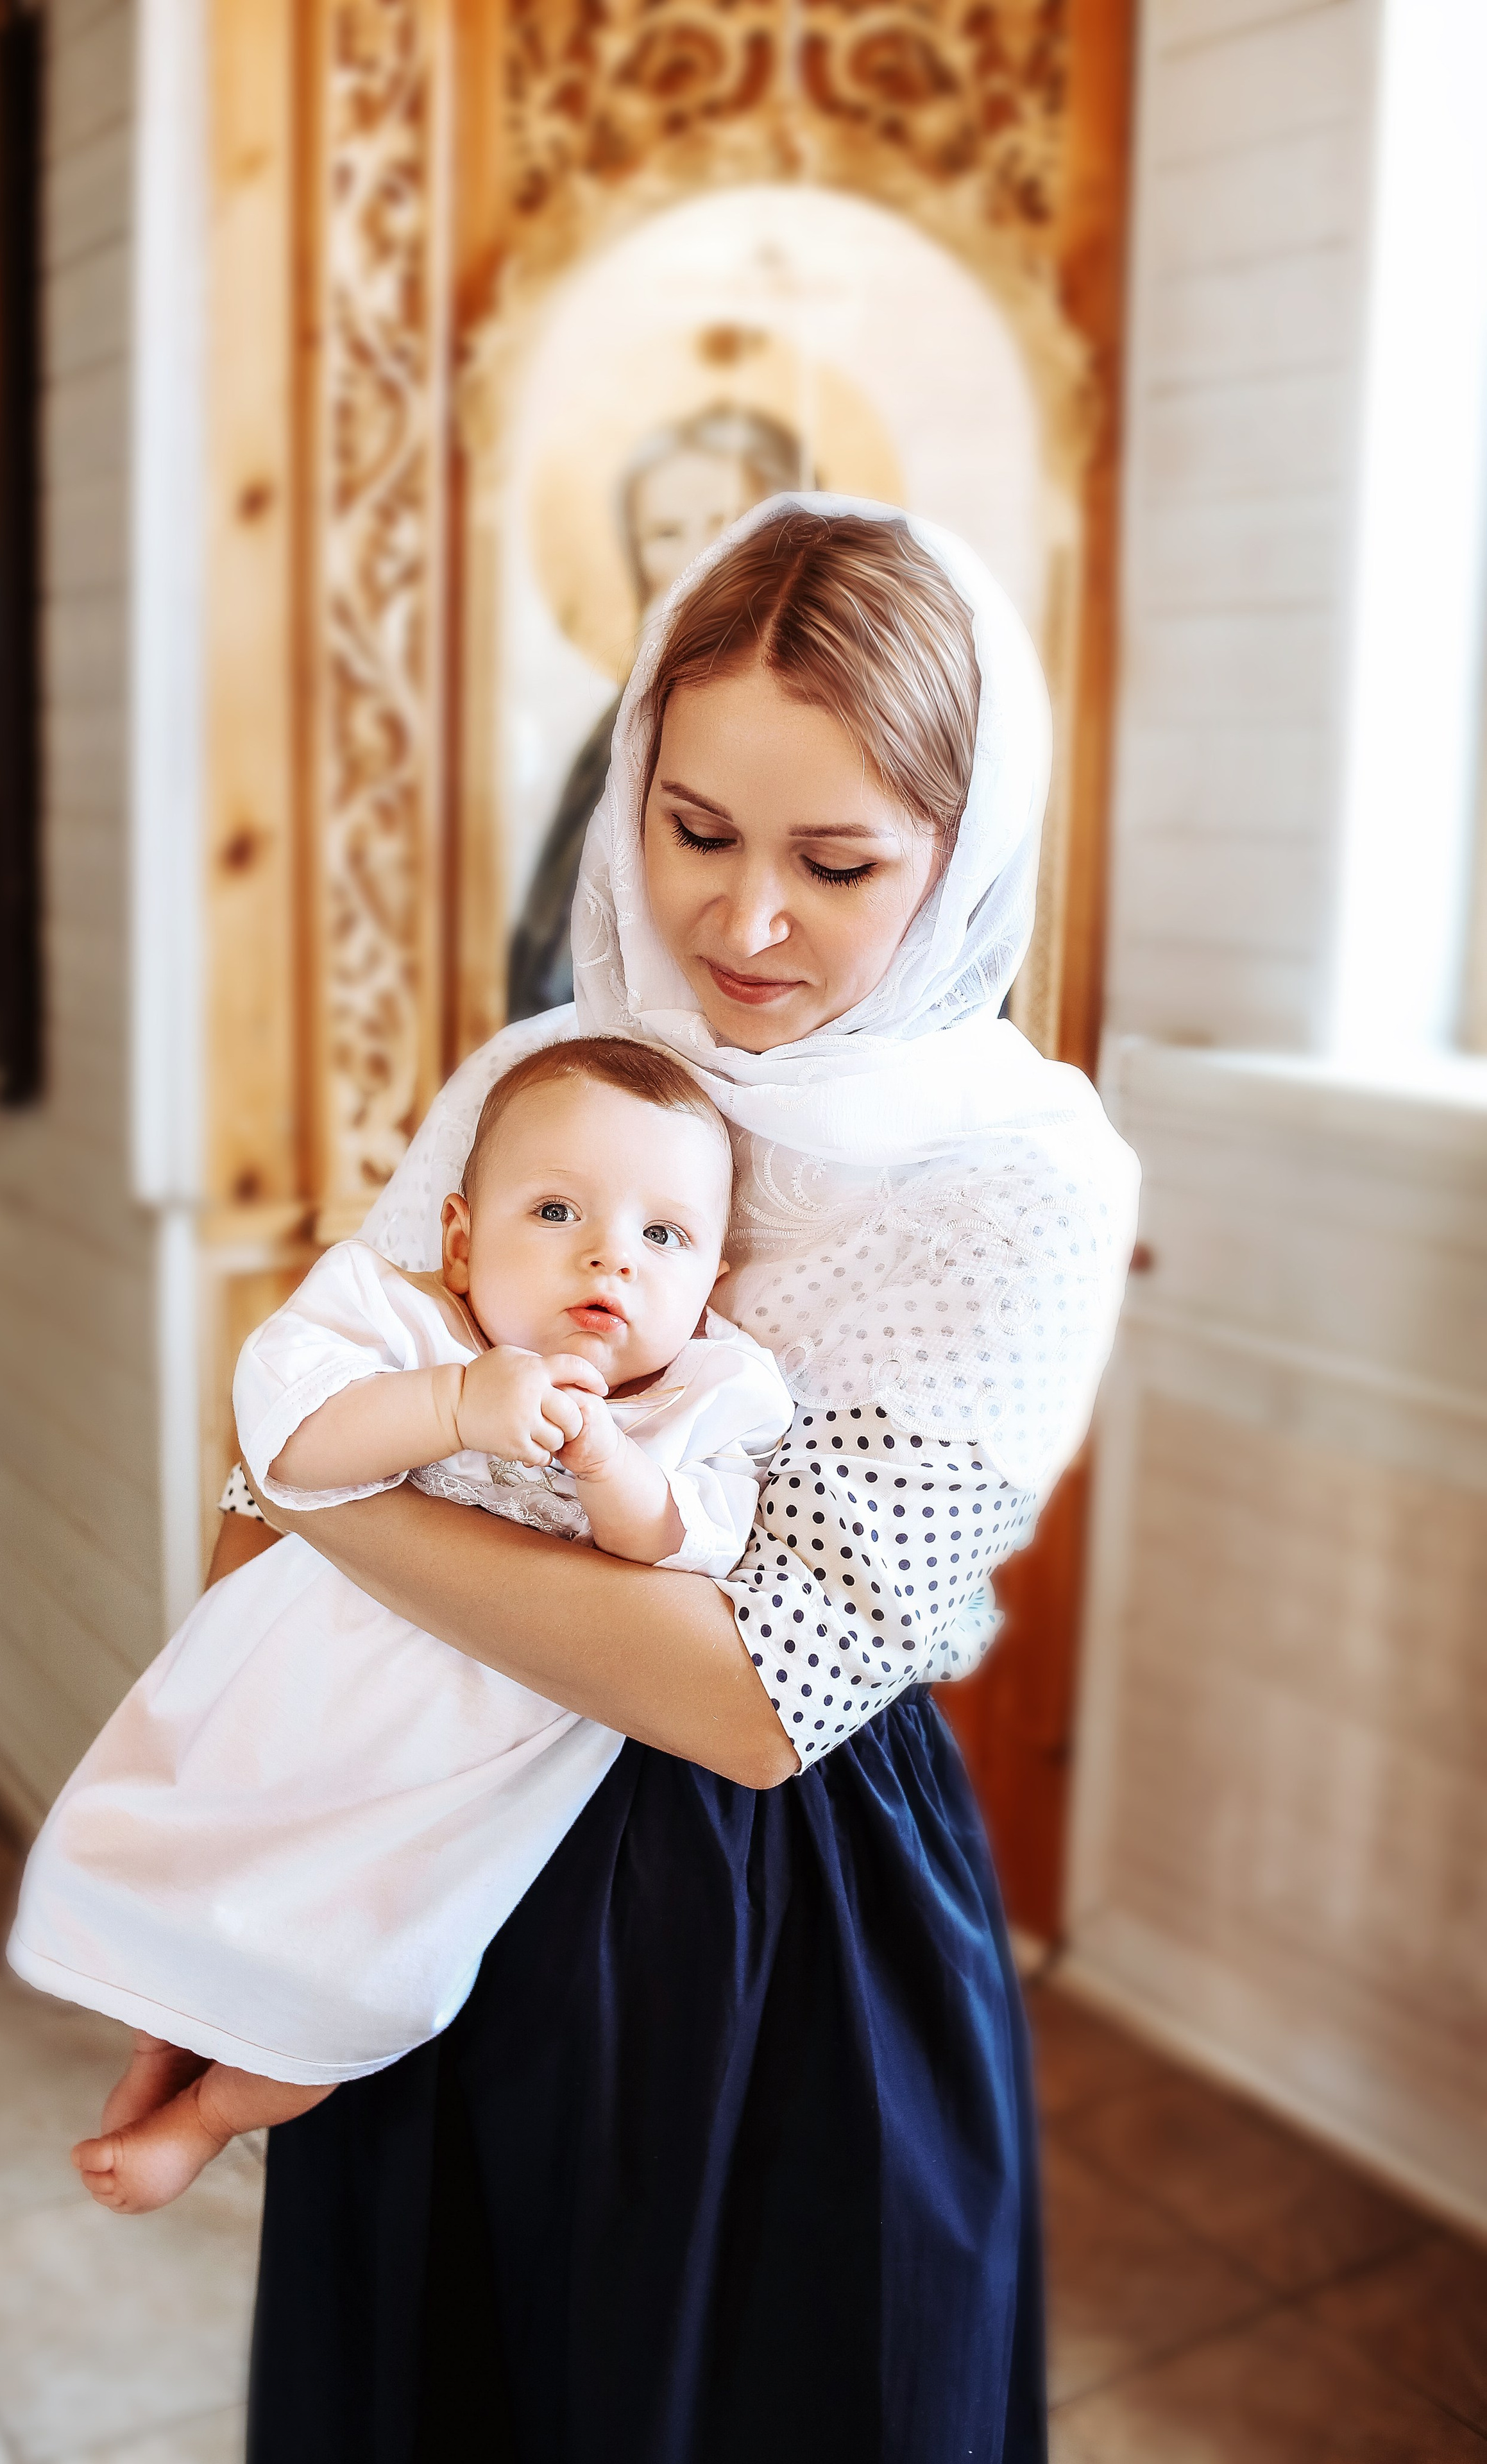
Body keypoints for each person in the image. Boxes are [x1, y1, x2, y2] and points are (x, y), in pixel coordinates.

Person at [238, 499, 1138, 2461]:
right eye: (691, 828)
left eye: (837, 862)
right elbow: (310, 1424)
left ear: (962, 850)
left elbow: (748, 1696)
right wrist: (224, 1888)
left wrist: (334, 1482)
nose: (741, 923)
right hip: (429, 1842)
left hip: (774, 1927)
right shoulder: (552, 1067)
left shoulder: (1021, 1176)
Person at [8, 1041, 794, 2214]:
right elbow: (284, 1444)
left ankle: (212, 2117)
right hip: (302, 1683)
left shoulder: (705, 1403)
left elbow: (687, 1543)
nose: (609, 1257)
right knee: (197, 1869)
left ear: (713, 1281)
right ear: (465, 1239)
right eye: (558, 1211)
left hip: (465, 1770)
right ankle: (155, 2057)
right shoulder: (400, 1319)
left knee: (358, 1976)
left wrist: (611, 1466)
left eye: (663, 1239)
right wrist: (453, 1404)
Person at [506, 402, 803, 1021]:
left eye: (725, 523)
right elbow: (551, 955)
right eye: (667, 534)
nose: (700, 557)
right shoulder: (617, 733)